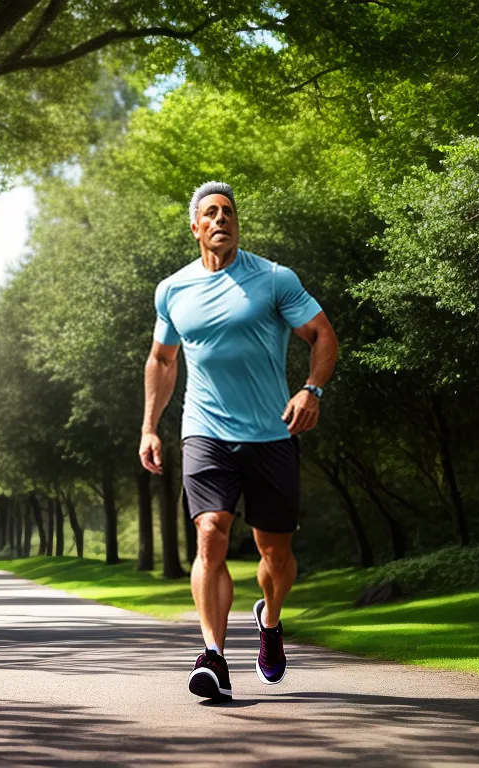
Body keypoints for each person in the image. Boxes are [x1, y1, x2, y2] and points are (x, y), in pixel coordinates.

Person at [139, 181, 338, 702]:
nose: (221, 219)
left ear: (237, 223)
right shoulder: (172, 290)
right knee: (210, 533)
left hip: (272, 432)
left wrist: (311, 389)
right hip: (204, 430)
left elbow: (322, 334)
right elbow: (162, 359)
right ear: (195, 227)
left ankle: (270, 620)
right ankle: (213, 656)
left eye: (228, 211)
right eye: (210, 212)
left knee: (276, 554)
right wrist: (149, 426)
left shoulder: (273, 279)